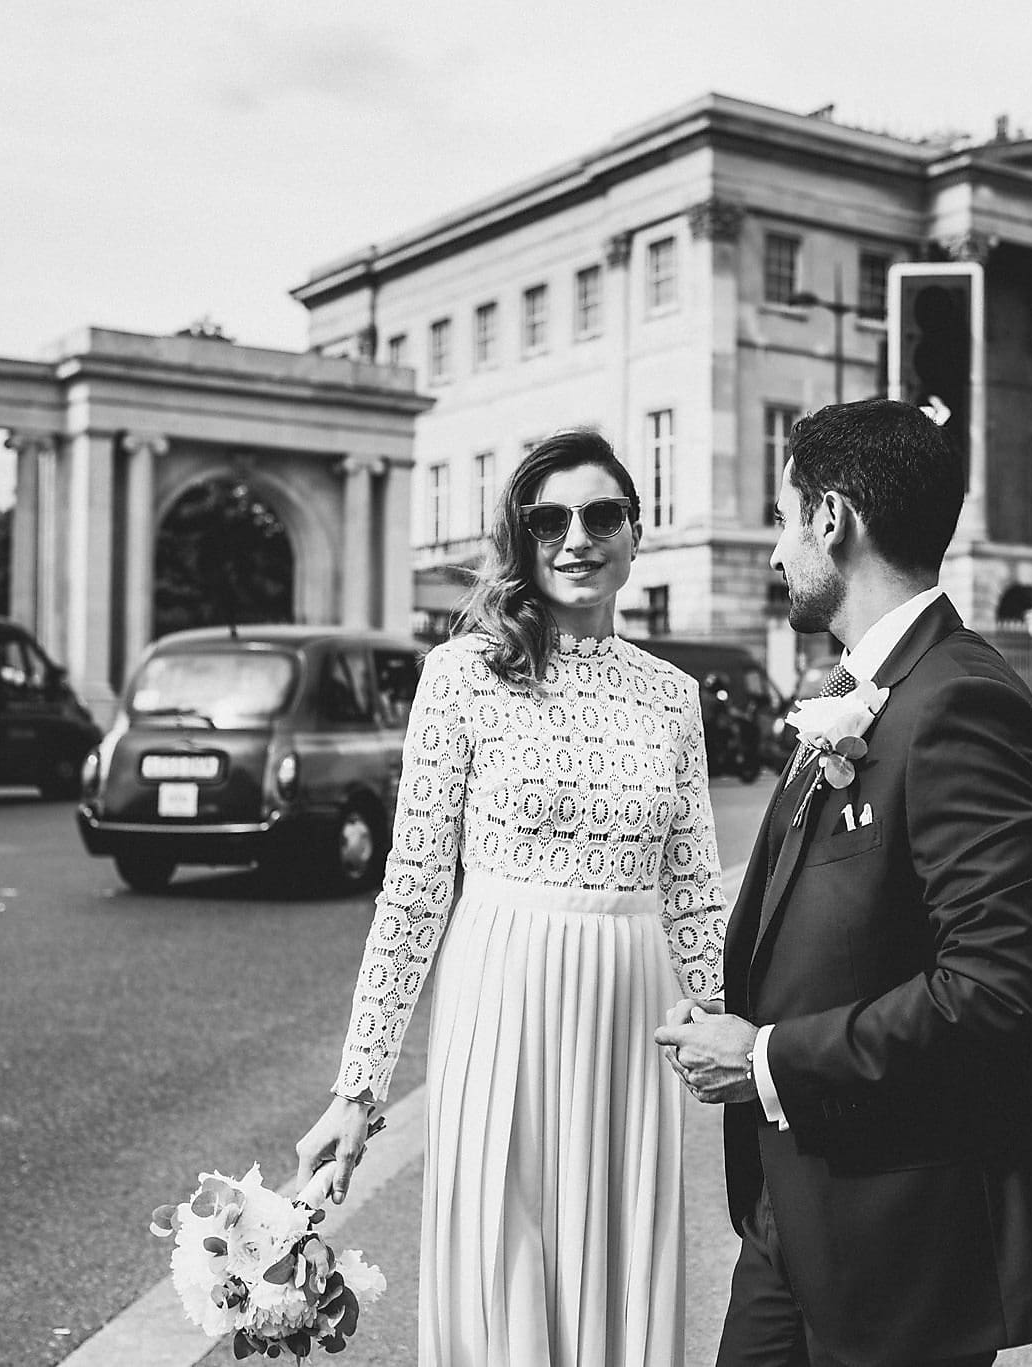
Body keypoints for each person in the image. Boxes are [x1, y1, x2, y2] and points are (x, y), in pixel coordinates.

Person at [656, 398, 1032, 1367]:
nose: (774, 552)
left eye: (780, 518)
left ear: (830, 519)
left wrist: (766, 1056)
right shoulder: (865, 688)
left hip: (900, 1230)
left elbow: (995, 992)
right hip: (796, 1200)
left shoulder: (961, 701)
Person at [295, 429, 726, 1367]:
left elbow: (692, 886)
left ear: (635, 531)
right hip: (501, 997)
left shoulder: (674, 697)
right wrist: (357, 1091)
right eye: (550, 519)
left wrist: (745, 1039)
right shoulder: (461, 676)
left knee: (618, 1254)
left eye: (602, 514)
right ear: (522, 538)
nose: (578, 537)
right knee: (504, 1247)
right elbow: (411, 889)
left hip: (629, 1014)